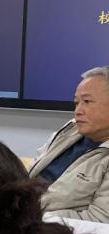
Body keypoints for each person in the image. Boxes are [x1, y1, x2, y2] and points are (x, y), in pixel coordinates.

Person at [28, 66, 109, 222]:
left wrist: (33, 218)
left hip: (46, 227)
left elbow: (100, 219)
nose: (78, 111)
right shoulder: (71, 129)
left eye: (87, 101)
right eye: (76, 103)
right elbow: (32, 172)